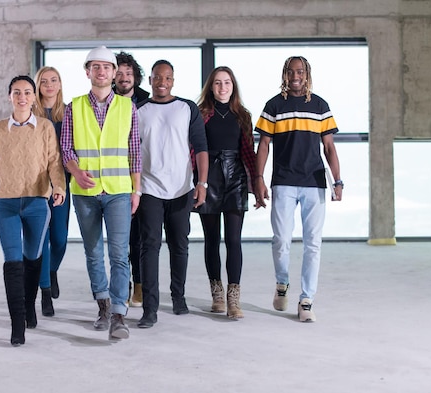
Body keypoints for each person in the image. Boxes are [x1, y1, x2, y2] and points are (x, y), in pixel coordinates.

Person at [60, 46, 141, 340]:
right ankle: (103, 306)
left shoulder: (126, 107)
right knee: (94, 253)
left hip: (119, 190)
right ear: (88, 72)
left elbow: (134, 150)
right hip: (85, 192)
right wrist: (75, 171)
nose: (102, 71)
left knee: (119, 254)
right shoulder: (74, 107)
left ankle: (119, 314)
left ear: (114, 72)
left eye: (106, 67)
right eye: (96, 67)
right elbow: (66, 147)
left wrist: (137, 189)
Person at [254, 56, 343, 323]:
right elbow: (264, 144)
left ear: (307, 75)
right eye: (291, 71)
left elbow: (328, 147)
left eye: (300, 71)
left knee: (313, 244)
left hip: (314, 183)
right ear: (285, 74)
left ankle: (306, 300)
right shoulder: (274, 105)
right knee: (281, 240)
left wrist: (338, 181)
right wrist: (258, 178)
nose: (296, 75)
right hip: (283, 180)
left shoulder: (319, 105)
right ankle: (282, 283)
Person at [0, 75, 66, 346]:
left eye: (27, 93)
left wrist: (59, 187)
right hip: (6, 203)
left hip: (36, 203)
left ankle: (31, 305)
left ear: (34, 97)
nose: (22, 97)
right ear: (9, 96)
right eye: (17, 92)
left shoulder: (45, 127)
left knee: (33, 258)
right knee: (12, 263)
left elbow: (55, 161)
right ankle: (17, 324)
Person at [136, 60, 209, 328]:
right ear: (151, 80)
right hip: (149, 189)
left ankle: (178, 297)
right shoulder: (139, 110)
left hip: (181, 188)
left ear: (173, 80)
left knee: (180, 245)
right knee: (149, 246)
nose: (162, 82)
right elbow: (131, 151)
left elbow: (201, 147)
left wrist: (202, 183)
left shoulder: (187, 108)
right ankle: (150, 309)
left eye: (167, 77)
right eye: (157, 77)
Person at [195, 66, 257, 319]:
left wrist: (256, 183)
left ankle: (234, 298)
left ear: (233, 87)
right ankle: (217, 294)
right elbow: (195, 149)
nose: (223, 88)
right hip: (209, 176)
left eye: (227, 83)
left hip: (236, 178)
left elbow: (248, 152)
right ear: (211, 87)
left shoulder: (242, 115)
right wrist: (198, 182)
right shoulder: (200, 114)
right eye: (218, 83)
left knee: (233, 239)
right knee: (211, 239)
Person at [112, 51, 150, 308]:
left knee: (140, 235)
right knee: (119, 237)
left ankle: (139, 284)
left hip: (145, 175)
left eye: (129, 73)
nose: (124, 77)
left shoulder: (148, 101)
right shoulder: (106, 100)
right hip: (115, 175)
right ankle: (122, 285)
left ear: (136, 76)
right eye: (120, 73)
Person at [32, 66, 70, 317]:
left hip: (63, 183)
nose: (49, 85)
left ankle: (51, 271)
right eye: (44, 81)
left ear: (59, 84)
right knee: (42, 240)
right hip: (36, 183)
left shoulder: (69, 113)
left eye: (54, 80)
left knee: (59, 240)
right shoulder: (30, 113)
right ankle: (45, 292)